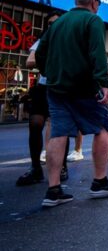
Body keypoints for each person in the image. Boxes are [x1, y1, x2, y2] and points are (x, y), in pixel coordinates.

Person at [35, 0, 108, 207]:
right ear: (94, 1)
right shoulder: (93, 21)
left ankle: (53, 189)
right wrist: (104, 83)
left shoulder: (58, 22)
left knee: (58, 132)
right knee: (102, 128)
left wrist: (49, 71)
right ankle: (99, 181)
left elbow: (40, 53)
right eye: (99, 2)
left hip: (56, 87)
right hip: (84, 86)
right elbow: (97, 53)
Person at [16, 12, 70, 187]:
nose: (52, 26)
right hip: (43, 86)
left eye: (55, 23)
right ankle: (35, 169)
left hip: (60, 87)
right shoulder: (42, 41)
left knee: (59, 128)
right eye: (49, 23)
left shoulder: (68, 41)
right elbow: (30, 62)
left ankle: (62, 166)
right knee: (35, 124)